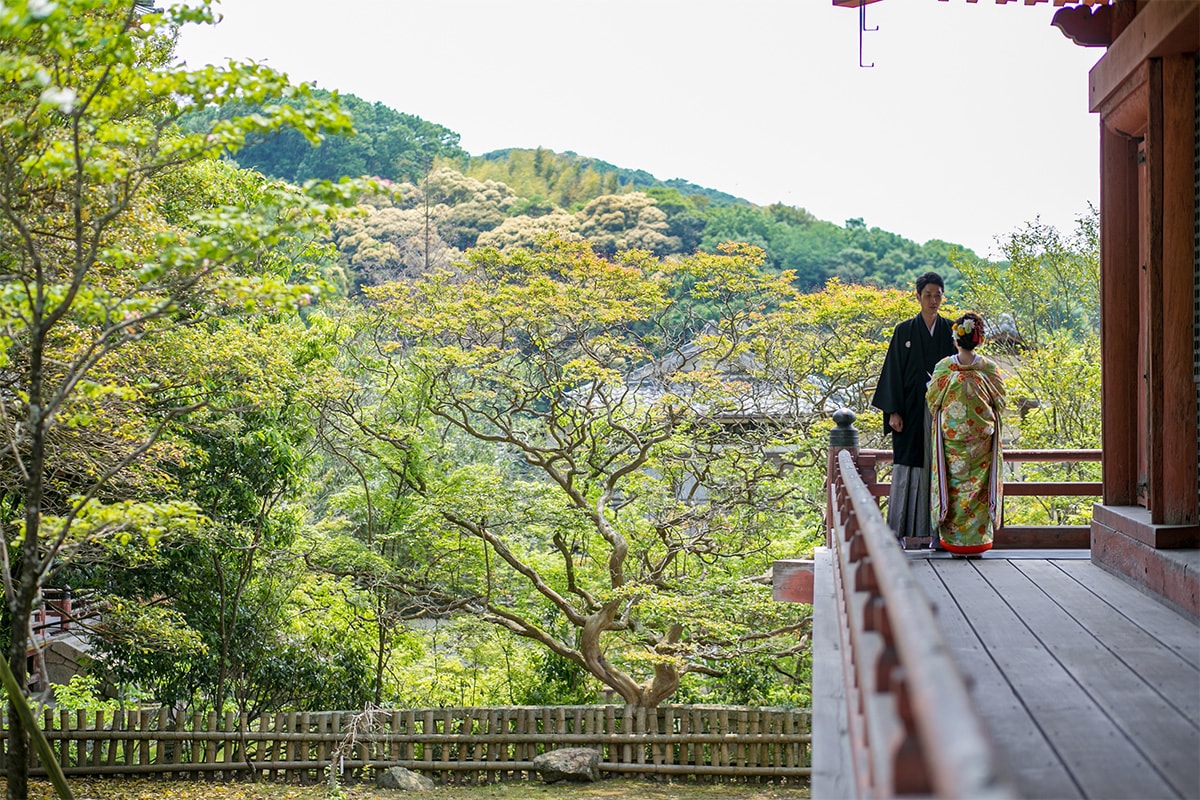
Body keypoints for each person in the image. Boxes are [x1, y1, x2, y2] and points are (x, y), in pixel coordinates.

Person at [870, 272, 957, 545]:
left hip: (943, 412)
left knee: (941, 469)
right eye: (928, 295)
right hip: (908, 411)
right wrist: (893, 411)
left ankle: (939, 534)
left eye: (938, 295)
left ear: (943, 296)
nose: (933, 300)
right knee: (907, 469)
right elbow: (893, 372)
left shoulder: (951, 331)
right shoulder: (904, 331)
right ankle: (897, 533)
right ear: (917, 296)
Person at [926, 312, 1006, 557]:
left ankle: (955, 543)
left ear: (955, 339)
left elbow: (932, 401)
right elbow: (1000, 401)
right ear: (979, 339)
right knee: (979, 490)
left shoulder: (944, 367)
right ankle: (977, 542)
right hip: (982, 440)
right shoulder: (989, 368)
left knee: (954, 488)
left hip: (952, 441)